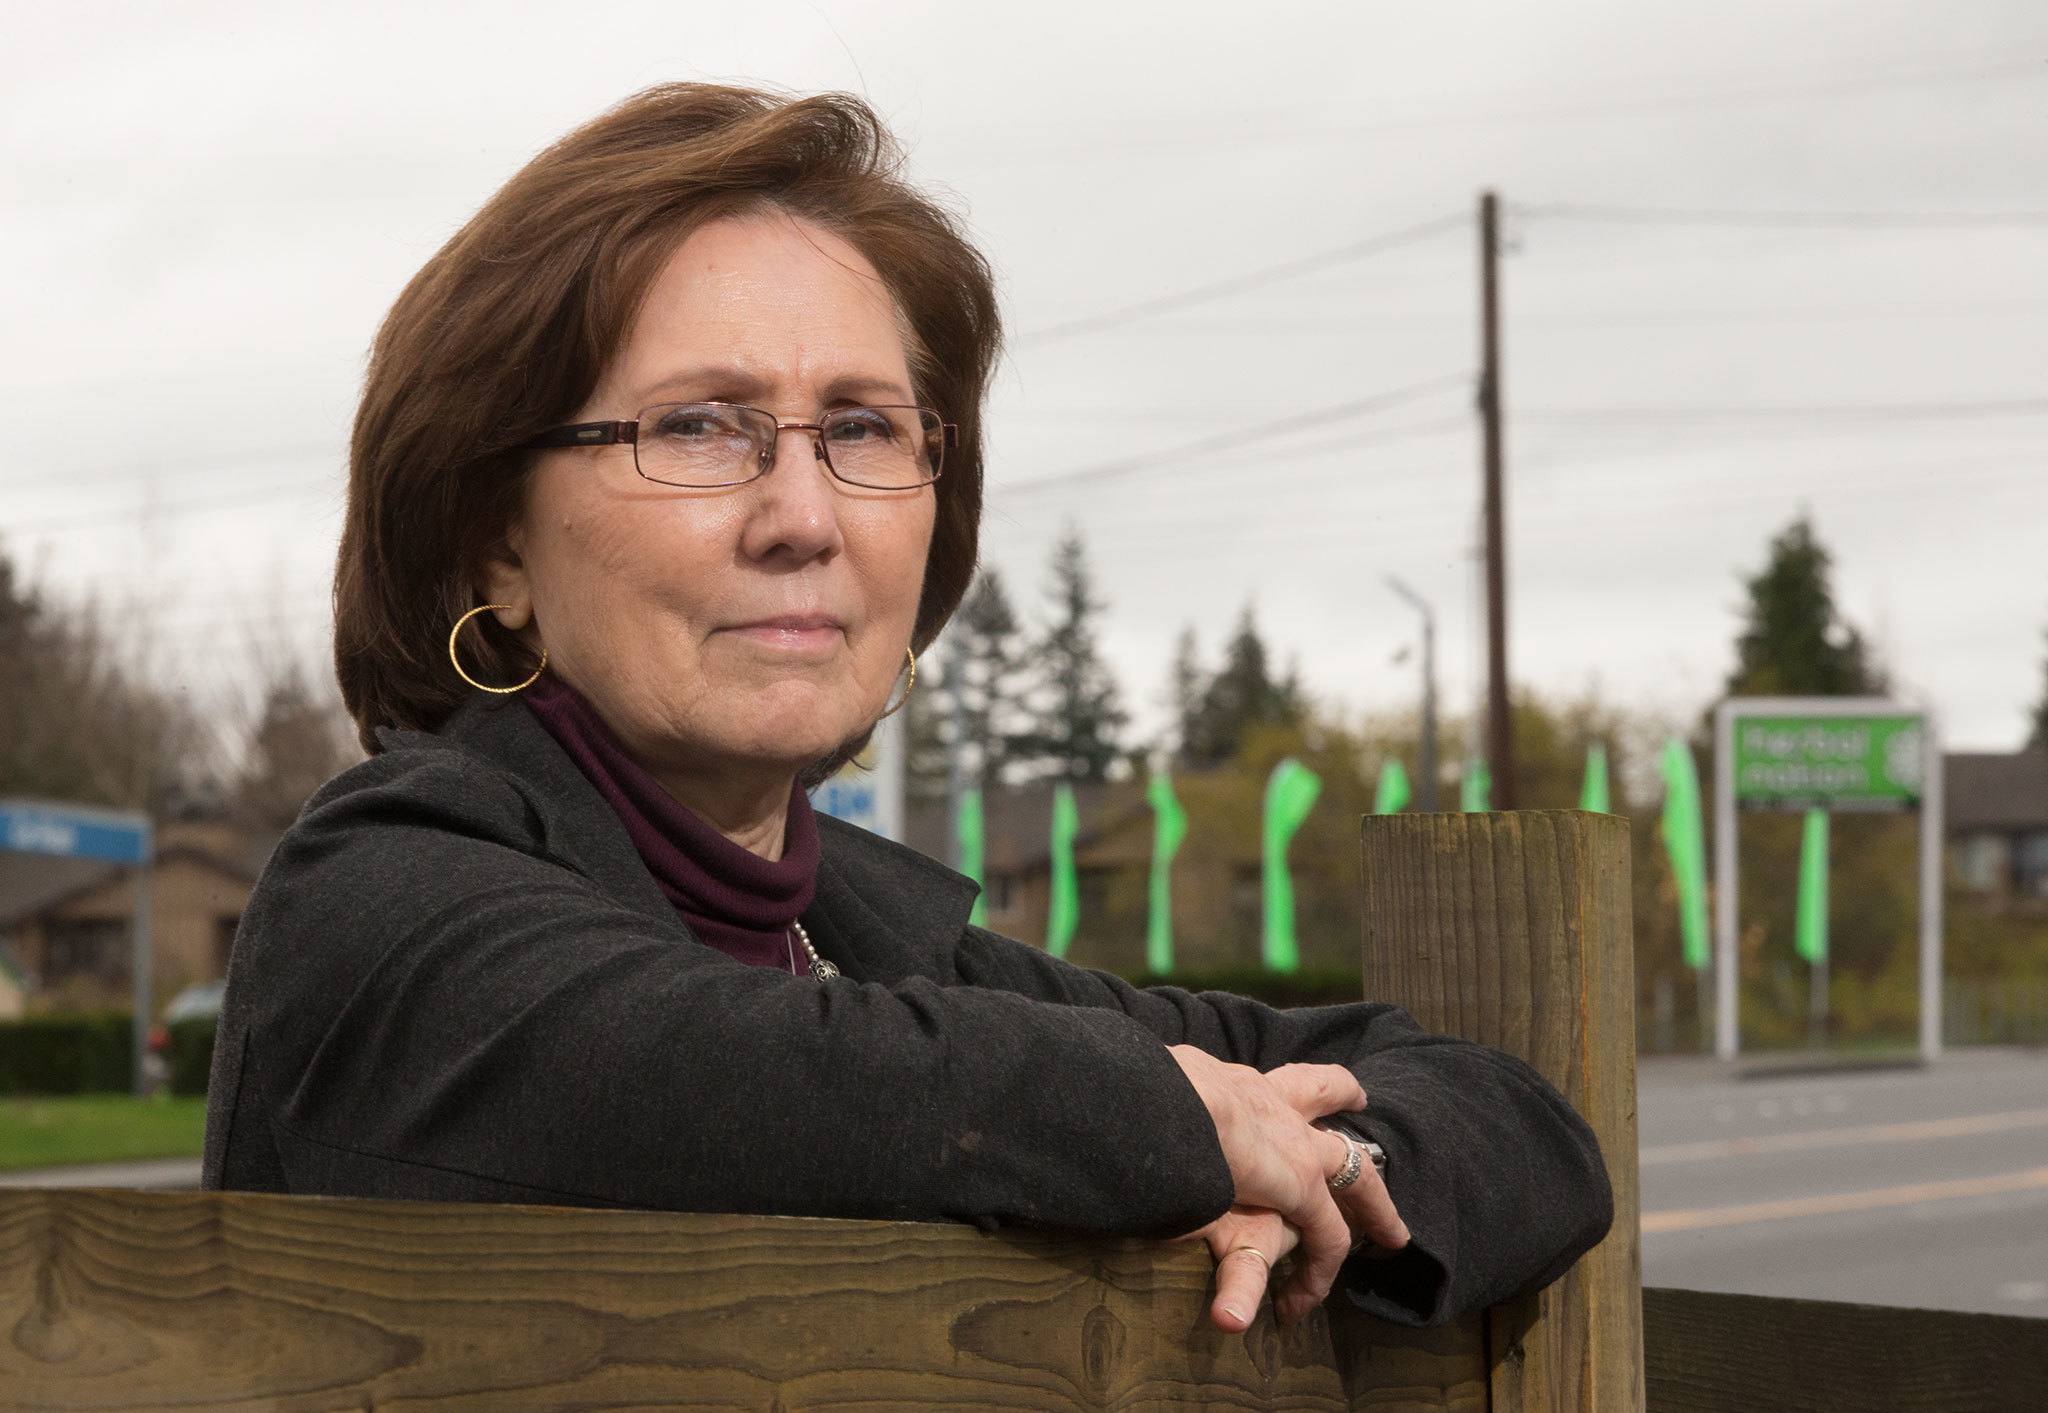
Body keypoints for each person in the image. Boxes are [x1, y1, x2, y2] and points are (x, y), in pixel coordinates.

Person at [201, 82, 1612, 1335]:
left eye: (865, 427)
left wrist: (1315, 1176)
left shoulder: (883, 955)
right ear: (496, 542)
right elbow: (700, 1071)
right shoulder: (379, 894)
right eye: (699, 424)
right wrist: (1179, 1125)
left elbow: (1517, 1121)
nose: (803, 515)